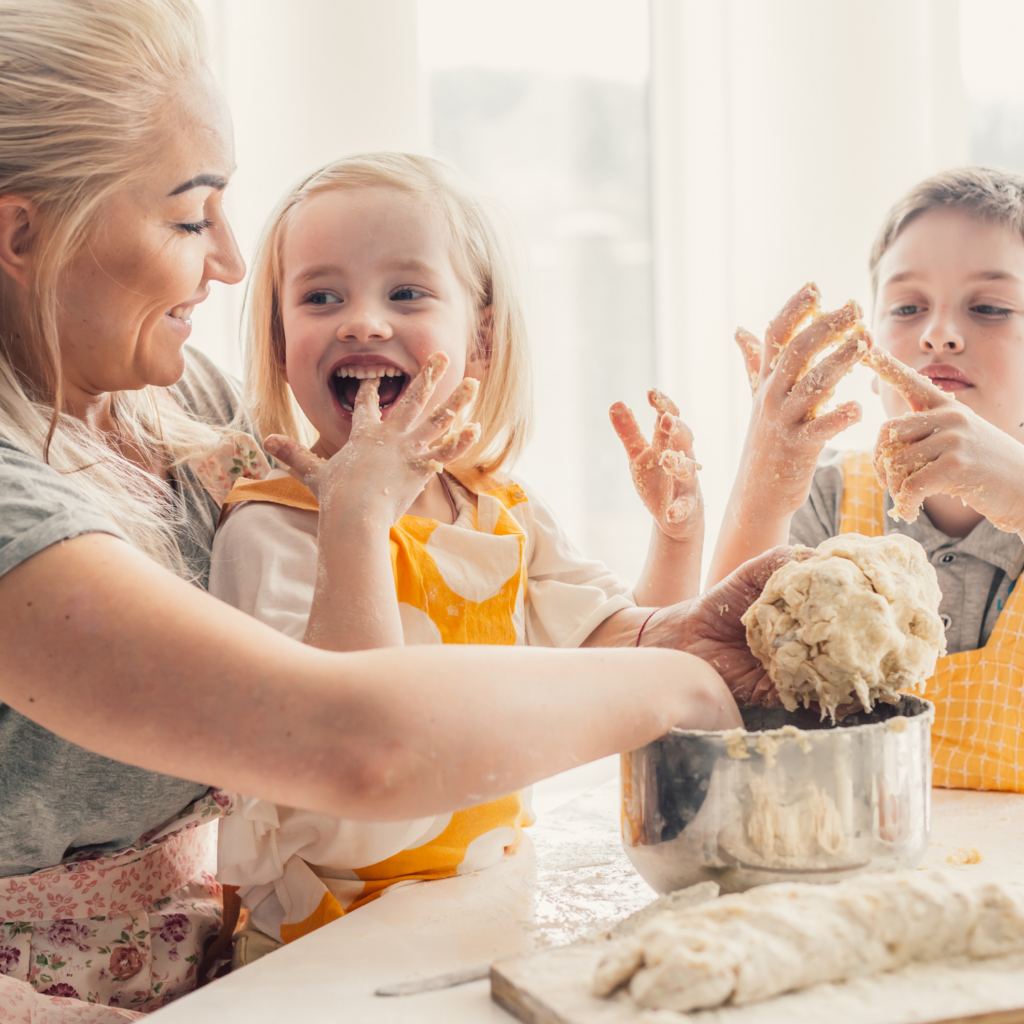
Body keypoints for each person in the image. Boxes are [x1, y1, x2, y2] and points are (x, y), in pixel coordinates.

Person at [0, 0, 781, 1015]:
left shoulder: (167, 400)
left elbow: (557, 635)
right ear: (21, 232)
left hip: (218, 969)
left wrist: (684, 606)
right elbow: (356, 742)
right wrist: (684, 684)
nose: (234, 262)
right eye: (191, 217)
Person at [205, 154, 706, 954]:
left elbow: (622, 655)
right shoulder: (269, 526)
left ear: (481, 336)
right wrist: (359, 517)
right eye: (320, 296)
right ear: (278, 341)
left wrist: (677, 539)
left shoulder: (501, 508)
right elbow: (347, 752)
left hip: (484, 905)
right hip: (320, 940)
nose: (362, 321)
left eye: (405, 293)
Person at [710, 166, 1024, 792]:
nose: (939, 332)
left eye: (989, 307)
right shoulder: (825, 500)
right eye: (907, 308)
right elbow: (725, 692)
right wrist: (765, 483)